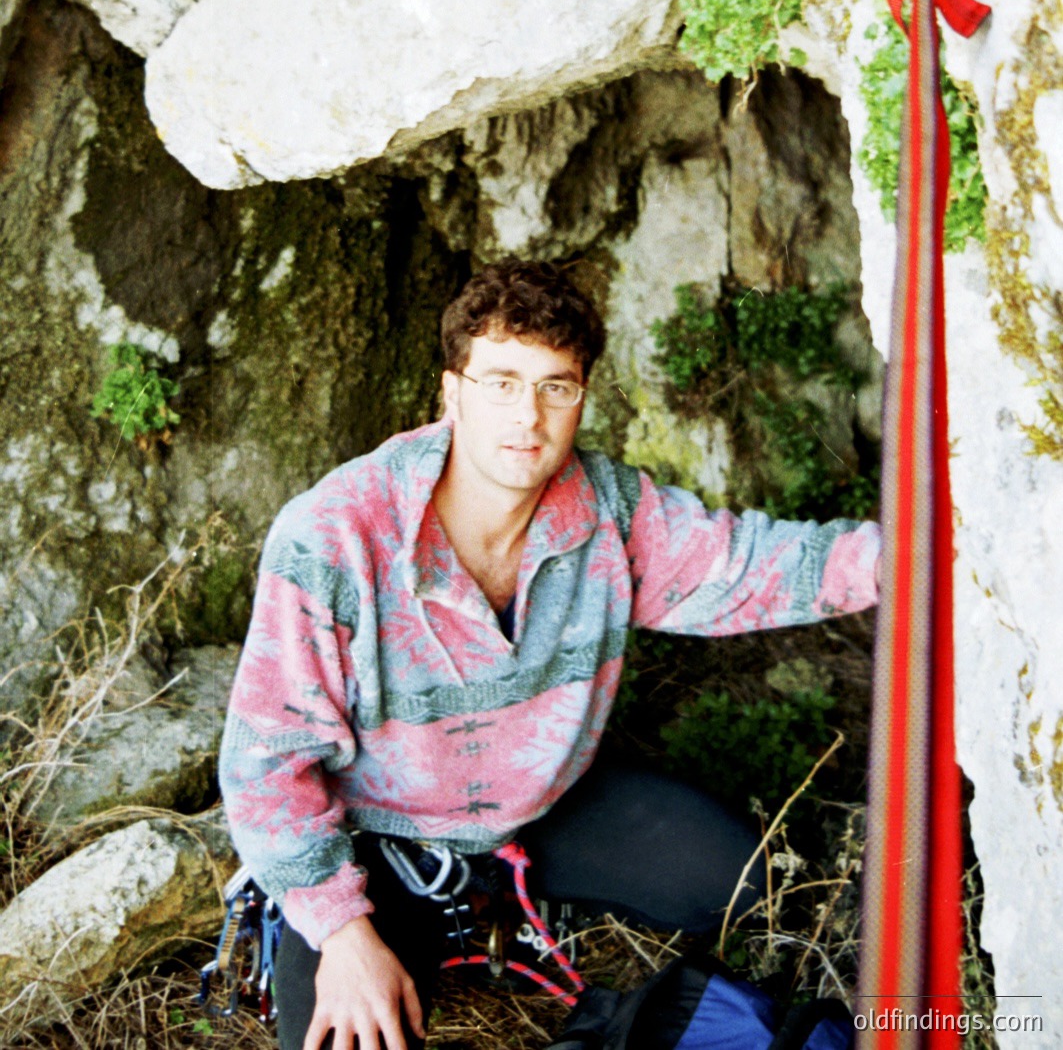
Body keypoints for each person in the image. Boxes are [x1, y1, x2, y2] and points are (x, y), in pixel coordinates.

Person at [219, 259, 880, 1050]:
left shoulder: (605, 507)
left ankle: (508, 905)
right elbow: (267, 766)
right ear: (450, 390)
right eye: (499, 381)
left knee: (739, 881)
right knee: (335, 1040)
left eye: (554, 386)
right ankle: (413, 923)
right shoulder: (334, 535)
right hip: (381, 839)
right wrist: (341, 931)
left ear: (581, 397)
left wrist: (904, 559)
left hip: (541, 810)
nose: (526, 415)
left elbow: (745, 566)